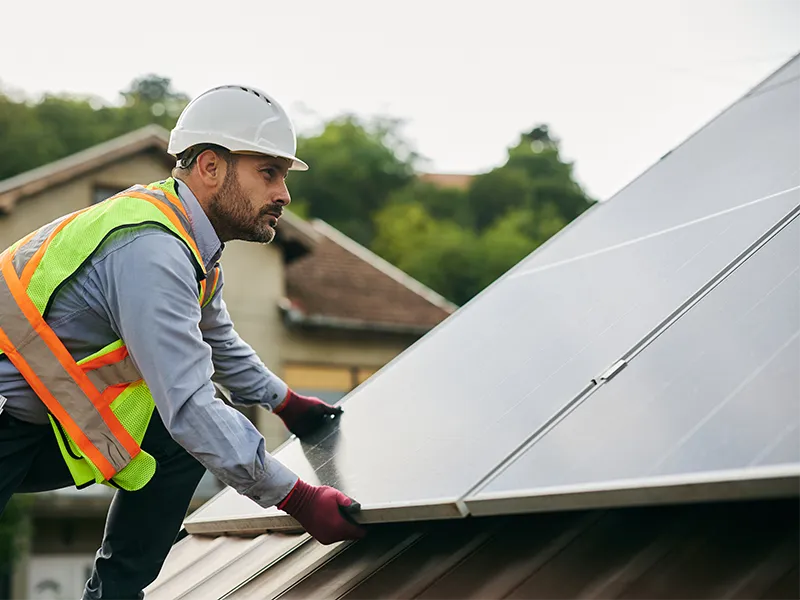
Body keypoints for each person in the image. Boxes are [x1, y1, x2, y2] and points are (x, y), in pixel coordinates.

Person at [0, 84, 366, 599]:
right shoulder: (153, 250)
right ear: (210, 167)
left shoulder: (189, 244)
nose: (284, 193)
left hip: (35, 420)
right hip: (6, 418)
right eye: (269, 173)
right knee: (191, 423)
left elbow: (217, 341)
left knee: (175, 446)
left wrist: (285, 403)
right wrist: (299, 499)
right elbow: (190, 405)